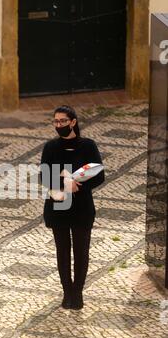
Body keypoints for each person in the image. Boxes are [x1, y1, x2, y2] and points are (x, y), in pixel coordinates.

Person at [40, 106, 105, 310]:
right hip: (58, 206)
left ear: (73, 122)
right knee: (62, 251)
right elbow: (43, 176)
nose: (59, 125)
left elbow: (99, 175)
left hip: (82, 207)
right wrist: (63, 182)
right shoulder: (50, 147)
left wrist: (78, 185)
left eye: (63, 121)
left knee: (81, 251)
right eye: (56, 122)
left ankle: (78, 293)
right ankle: (66, 291)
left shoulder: (88, 146)